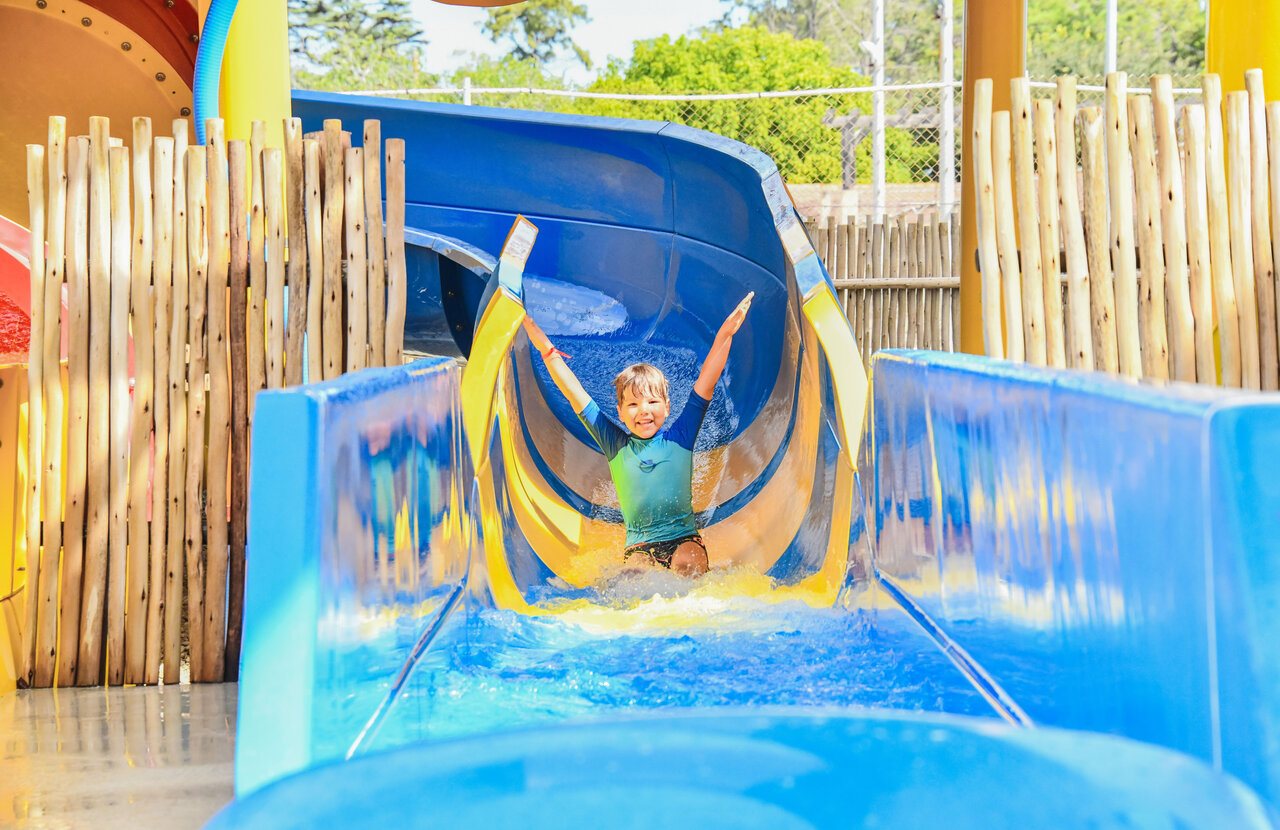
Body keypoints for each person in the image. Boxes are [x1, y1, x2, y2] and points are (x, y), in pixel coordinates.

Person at [522, 292, 754, 578]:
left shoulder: (680, 436)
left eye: (653, 402)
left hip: (683, 540)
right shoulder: (614, 443)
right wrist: (541, 342)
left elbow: (707, 379)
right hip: (640, 547)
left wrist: (725, 333)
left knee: (688, 563)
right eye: (633, 404)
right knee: (631, 577)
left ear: (667, 407)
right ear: (620, 412)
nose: (644, 410)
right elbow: (574, 394)